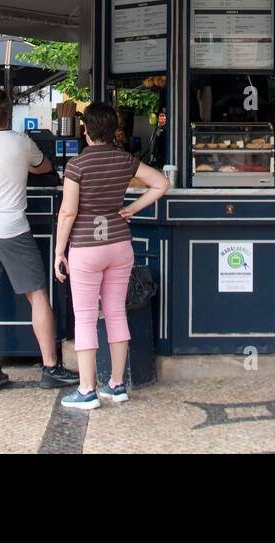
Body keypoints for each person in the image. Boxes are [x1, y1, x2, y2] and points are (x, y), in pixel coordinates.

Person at [0, 87, 79, 392]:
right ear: (7, 112)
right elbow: (45, 167)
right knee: (37, 296)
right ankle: (50, 367)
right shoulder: (19, 142)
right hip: (13, 229)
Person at [53, 101, 168, 410]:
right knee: (117, 312)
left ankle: (87, 389)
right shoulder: (124, 160)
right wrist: (130, 209)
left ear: (86, 131)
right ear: (113, 129)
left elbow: (68, 212)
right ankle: (117, 385)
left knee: (86, 318)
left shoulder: (77, 165)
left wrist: (58, 251)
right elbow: (161, 183)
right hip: (119, 245)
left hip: (86, 248)